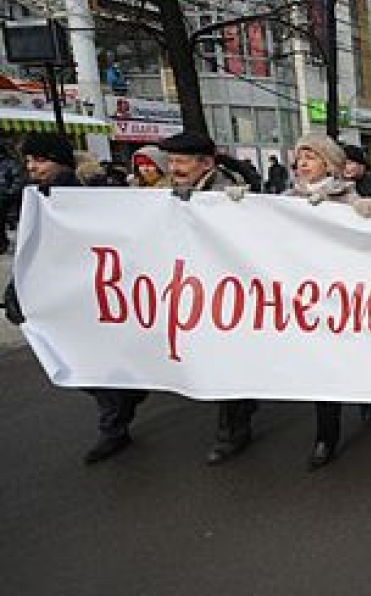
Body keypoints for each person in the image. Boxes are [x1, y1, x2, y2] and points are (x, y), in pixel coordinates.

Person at [5, 134, 150, 464]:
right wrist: (16, 288)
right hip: (57, 295)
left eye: (40, 160)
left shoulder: (83, 198)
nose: (32, 167)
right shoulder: (35, 199)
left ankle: (114, 425)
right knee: (72, 359)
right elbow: (30, 251)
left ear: (60, 162)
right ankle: (122, 401)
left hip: (86, 294)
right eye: (29, 161)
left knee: (86, 361)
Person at [275, 132, 371, 470]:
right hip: (304, 297)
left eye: (311, 157)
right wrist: (239, 205)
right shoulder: (285, 201)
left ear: (329, 164)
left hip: (341, 296)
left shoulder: (347, 198)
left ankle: (365, 396)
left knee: (349, 359)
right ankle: (326, 437)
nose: (303, 163)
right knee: (321, 367)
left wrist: (366, 214)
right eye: (300, 157)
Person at [158, 131, 260, 465]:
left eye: (182, 161)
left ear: (205, 164)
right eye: (171, 161)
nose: (175, 168)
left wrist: (238, 208)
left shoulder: (228, 195)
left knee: (224, 361)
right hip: (189, 290)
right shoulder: (165, 193)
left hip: (226, 294)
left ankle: (232, 432)